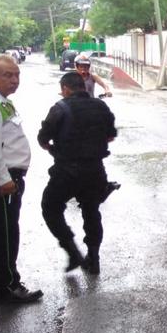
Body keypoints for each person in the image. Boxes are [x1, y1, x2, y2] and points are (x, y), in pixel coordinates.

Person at [38, 72, 117, 274]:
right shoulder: (101, 106)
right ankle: (94, 258)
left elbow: (43, 138)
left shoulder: (60, 108)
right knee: (92, 212)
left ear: (65, 89)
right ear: (83, 86)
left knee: (50, 207)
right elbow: (111, 136)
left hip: (67, 172)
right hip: (95, 170)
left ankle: (72, 251)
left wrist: (53, 147)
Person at [0, 54, 43, 303]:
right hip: (4, 179)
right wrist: (2, 179)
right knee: (6, 233)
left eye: (17, 74)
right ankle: (9, 285)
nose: (14, 80)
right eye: (7, 75)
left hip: (5, 176)